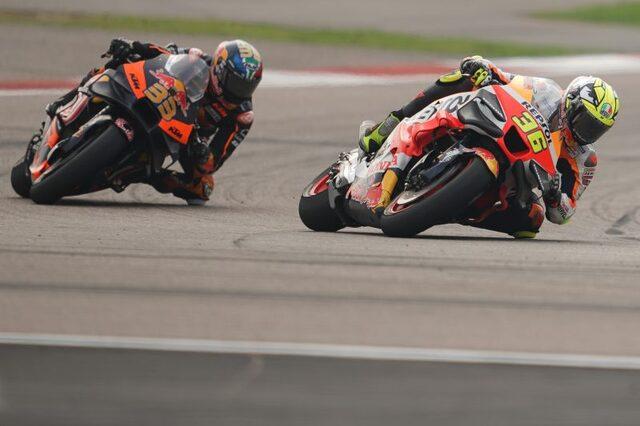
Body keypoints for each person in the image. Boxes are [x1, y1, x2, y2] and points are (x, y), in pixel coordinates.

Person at [359, 55, 620, 238]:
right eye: (586, 122)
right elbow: (507, 79)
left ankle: (453, 207)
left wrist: (554, 195)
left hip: (512, 177)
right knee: (464, 78)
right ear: (571, 104)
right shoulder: (547, 92)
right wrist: (483, 67)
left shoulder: (584, 158)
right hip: (493, 126)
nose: (588, 133)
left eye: (598, 129)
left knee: (532, 220)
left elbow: (565, 213)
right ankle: (388, 125)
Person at [45, 37, 263, 205]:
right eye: (236, 84)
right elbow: (163, 54)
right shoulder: (196, 60)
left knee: (203, 188)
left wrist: (202, 154)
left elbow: (213, 162)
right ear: (220, 69)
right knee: (114, 64)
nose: (240, 92)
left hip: (190, 139)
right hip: (159, 101)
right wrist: (133, 47)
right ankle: (66, 102)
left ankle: (144, 175)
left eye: (247, 87)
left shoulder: (242, 116)